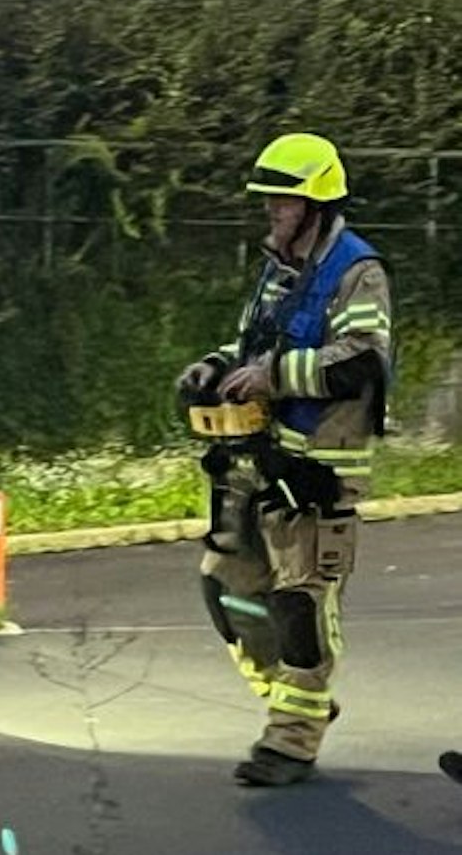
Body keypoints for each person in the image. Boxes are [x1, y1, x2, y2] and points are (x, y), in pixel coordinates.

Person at [175, 133, 393, 788]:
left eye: (284, 198)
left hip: (318, 472)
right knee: (228, 591)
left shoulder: (357, 271)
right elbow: (252, 343)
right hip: (257, 462)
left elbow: (360, 361)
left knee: (300, 604)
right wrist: (215, 366)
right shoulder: (279, 268)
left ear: (317, 204)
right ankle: (298, 706)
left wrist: (272, 375)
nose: (271, 207)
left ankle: (292, 742)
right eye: (269, 197)